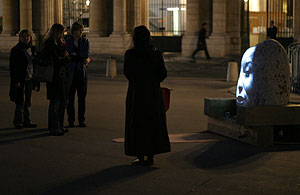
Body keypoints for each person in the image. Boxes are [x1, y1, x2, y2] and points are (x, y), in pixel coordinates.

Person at [123, 25, 171, 166]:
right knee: (152, 122)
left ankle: (140, 155)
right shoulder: (156, 53)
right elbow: (163, 74)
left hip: (136, 93)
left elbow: (128, 73)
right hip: (153, 93)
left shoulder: (130, 54)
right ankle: (151, 155)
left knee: (137, 123)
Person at [43, 23, 69, 136]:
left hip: (61, 75)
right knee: (55, 102)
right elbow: (55, 60)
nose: (63, 34)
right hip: (54, 76)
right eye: (62, 32)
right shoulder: (49, 44)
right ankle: (53, 127)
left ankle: (60, 125)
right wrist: (65, 57)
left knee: (62, 101)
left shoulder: (59, 42)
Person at [9, 30, 38, 129]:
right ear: (20, 38)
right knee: (20, 101)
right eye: (24, 36)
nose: (26, 38)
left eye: (28, 36)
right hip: (21, 79)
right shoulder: (16, 50)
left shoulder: (31, 49)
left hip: (29, 78)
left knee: (28, 102)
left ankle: (27, 121)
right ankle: (18, 122)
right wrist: (15, 81)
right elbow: (13, 67)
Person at [65, 22, 90, 128]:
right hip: (71, 73)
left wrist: (74, 55)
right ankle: (71, 120)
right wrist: (79, 56)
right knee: (70, 99)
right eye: (79, 30)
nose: (81, 32)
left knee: (82, 98)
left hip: (81, 73)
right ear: (73, 31)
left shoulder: (85, 40)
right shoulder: (67, 41)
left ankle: (81, 119)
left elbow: (85, 55)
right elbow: (69, 54)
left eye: (81, 30)